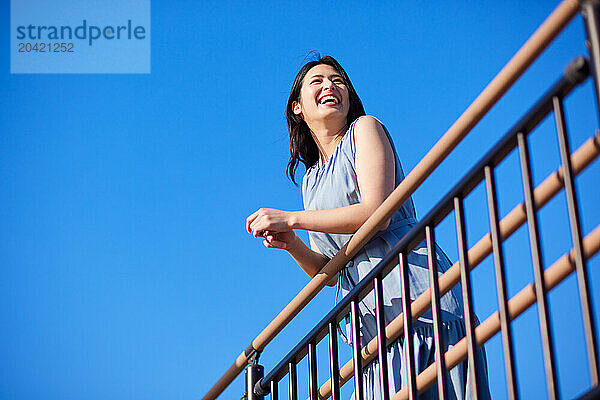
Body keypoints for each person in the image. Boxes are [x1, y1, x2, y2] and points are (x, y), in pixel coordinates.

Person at [246, 55, 490, 399]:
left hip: (417, 297)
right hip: (373, 330)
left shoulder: (365, 129)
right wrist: (292, 244)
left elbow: (378, 212)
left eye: (338, 81)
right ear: (297, 107)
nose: (330, 86)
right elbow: (329, 268)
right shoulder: (310, 181)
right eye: (317, 81)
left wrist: (292, 218)